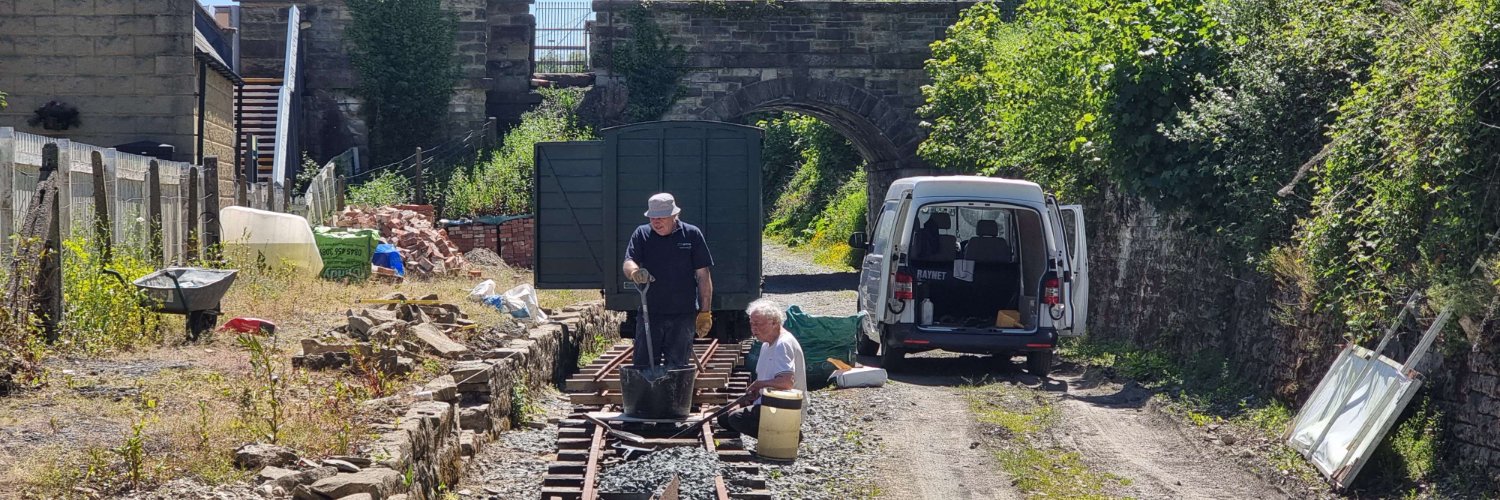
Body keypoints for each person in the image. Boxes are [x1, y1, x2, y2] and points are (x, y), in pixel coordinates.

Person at [623, 193, 715, 368]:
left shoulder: (691, 234)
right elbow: (628, 261)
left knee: (678, 367)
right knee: (644, 365)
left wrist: (705, 312)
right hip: (650, 312)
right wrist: (635, 272)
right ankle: (647, 394)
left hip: (683, 313)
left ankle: (676, 395)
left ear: (674, 215)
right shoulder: (642, 234)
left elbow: (703, 275)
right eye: (652, 218)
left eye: (661, 217)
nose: (656, 222)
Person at [717, 298, 807, 438]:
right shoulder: (766, 345)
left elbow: (786, 383)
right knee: (724, 416)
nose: (754, 329)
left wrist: (760, 384)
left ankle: (785, 436)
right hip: (769, 402)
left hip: (784, 408)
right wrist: (753, 396)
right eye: (752, 324)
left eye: (758, 324)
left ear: (774, 322)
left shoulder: (782, 344)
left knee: (736, 418)